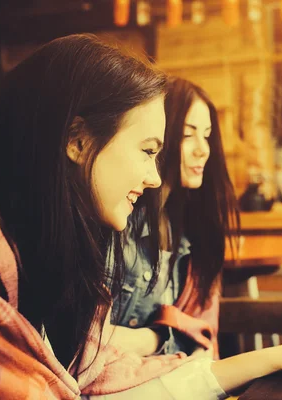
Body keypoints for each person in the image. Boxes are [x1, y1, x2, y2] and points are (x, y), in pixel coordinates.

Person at [0, 34, 282, 400]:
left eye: (207, 136)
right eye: (149, 150)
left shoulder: (59, 252)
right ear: (77, 141)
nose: (153, 176)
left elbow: (107, 374)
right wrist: (164, 335)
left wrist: (274, 357)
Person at [106, 77, 238, 359]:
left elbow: (202, 340)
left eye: (207, 135)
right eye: (188, 135)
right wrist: (157, 337)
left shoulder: (194, 229)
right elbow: (85, 343)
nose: (202, 149)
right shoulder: (116, 220)